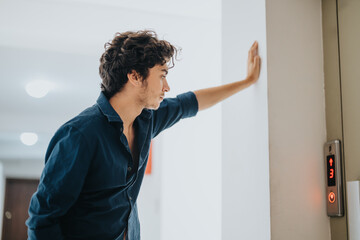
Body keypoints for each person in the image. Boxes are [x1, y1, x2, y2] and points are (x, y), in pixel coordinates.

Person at [26, 30, 260, 240]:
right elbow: (42, 220)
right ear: (135, 76)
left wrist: (247, 81)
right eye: (161, 75)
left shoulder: (146, 121)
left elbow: (191, 102)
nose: (166, 87)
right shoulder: (79, 135)